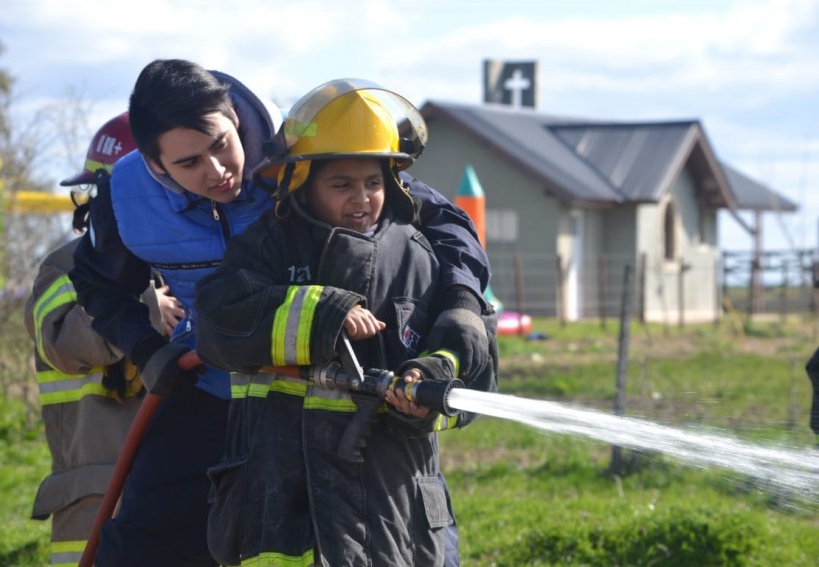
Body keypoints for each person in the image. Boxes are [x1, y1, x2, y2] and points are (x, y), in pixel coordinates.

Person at [69, 59, 492, 566]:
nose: (217, 170)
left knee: (394, 538)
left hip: (324, 399)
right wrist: (146, 349)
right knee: (141, 546)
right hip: (205, 388)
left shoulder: (305, 150)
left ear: (234, 119)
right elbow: (97, 283)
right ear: (155, 164)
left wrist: (464, 304)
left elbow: (441, 222)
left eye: (221, 144)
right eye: (189, 164)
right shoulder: (125, 195)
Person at [194, 79, 498, 566]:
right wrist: (321, 313)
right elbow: (216, 323)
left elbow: (475, 357)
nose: (362, 198)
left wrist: (431, 378)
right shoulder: (272, 245)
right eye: (342, 185)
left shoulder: (419, 255)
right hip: (284, 505)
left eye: (373, 183)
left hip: (395, 507)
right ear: (303, 181)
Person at [25, 112, 182, 566]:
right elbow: (62, 343)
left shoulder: (192, 262)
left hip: (183, 485)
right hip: (99, 500)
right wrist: (148, 309)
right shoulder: (65, 266)